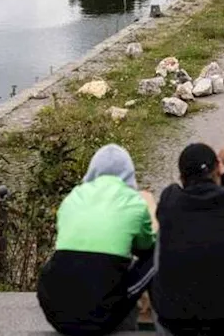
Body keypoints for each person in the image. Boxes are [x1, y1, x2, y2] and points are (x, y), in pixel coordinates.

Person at [37, 144, 157, 336]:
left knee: (66, 258)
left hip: (55, 313)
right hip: (102, 319)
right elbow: (146, 246)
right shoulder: (134, 201)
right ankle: (150, 311)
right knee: (155, 256)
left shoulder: (72, 197)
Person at [151, 142, 224, 336]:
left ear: (181, 177)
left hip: (173, 328)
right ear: (216, 171)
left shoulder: (170, 200)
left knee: (166, 227)